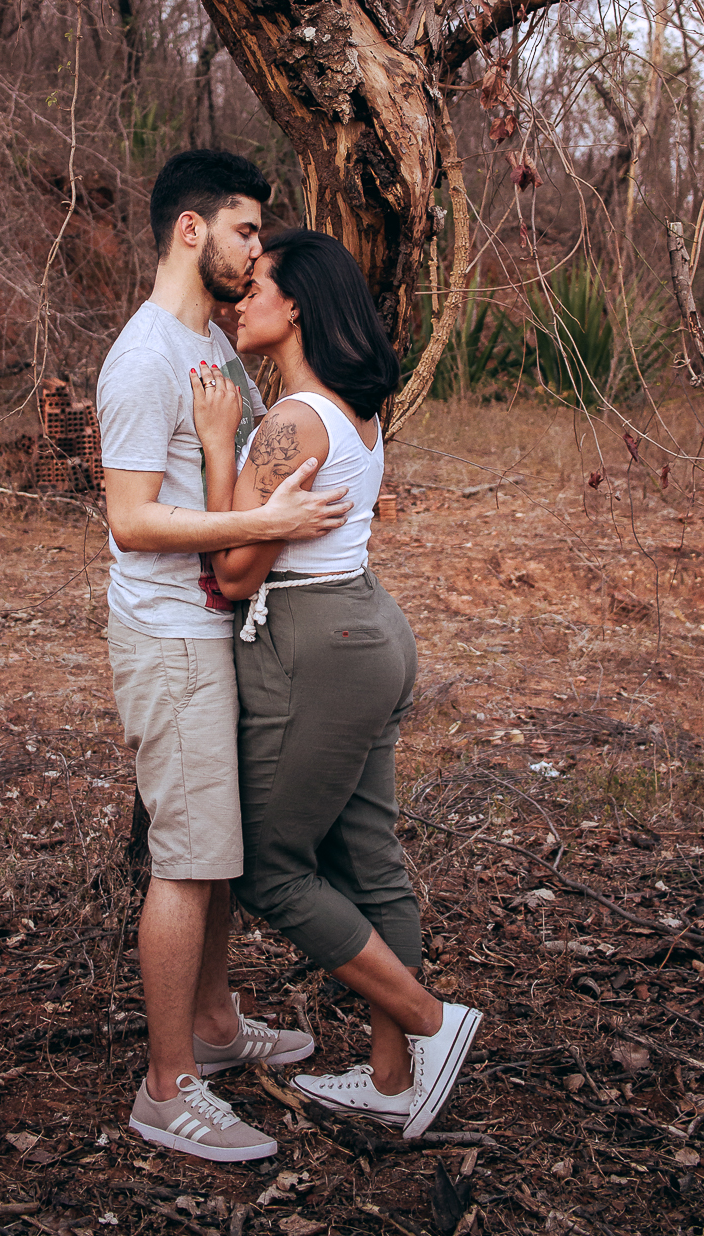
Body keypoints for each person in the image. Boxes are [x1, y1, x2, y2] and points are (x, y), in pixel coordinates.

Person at [190, 229, 482, 1140]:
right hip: (371, 629)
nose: (242, 298)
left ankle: (435, 1026)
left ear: (299, 305)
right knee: (370, 858)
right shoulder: (355, 410)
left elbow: (234, 569)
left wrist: (213, 441)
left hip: (318, 644)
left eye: (260, 284)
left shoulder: (291, 420)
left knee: (272, 871)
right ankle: (394, 1080)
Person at [97, 152, 354, 1164]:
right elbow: (127, 518)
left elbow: (225, 484)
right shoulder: (147, 356)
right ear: (191, 231)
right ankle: (167, 1088)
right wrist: (264, 517)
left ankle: (211, 1027)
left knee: (218, 851)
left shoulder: (209, 343)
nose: (259, 252)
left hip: (214, 630)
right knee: (189, 857)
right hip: (168, 638)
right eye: (248, 231)